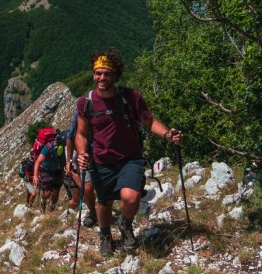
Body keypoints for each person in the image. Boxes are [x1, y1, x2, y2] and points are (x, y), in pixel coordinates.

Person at [75, 48, 183, 256]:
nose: (102, 77)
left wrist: (168, 134)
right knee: (104, 203)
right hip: (101, 161)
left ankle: (125, 225)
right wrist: (81, 153)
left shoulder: (131, 97)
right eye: (98, 73)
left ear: (115, 75)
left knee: (131, 197)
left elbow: (149, 121)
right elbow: (81, 133)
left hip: (129, 159)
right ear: (93, 74)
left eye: (107, 73)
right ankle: (105, 235)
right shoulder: (85, 103)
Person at [65, 110, 98, 228]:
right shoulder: (81, 113)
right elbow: (69, 138)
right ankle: (93, 213)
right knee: (88, 187)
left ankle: (102, 211)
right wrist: (68, 161)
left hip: (102, 153)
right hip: (84, 153)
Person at [33, 132, 67, 213]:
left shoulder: (65, 147)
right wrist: (35, 176)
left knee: (56, 190)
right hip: (47, 170)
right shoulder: (48, 147)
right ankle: (43, 201)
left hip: (58, 170)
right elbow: (38, 161)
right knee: (47, 193)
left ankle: (51, 209)